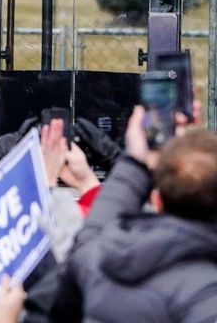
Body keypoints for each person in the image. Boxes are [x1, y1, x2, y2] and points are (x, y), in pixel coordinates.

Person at [51, 108, 217, 321]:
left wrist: (135, 161)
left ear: (157, 201)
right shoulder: (206, 294)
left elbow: (92, 232)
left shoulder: (95, 257)